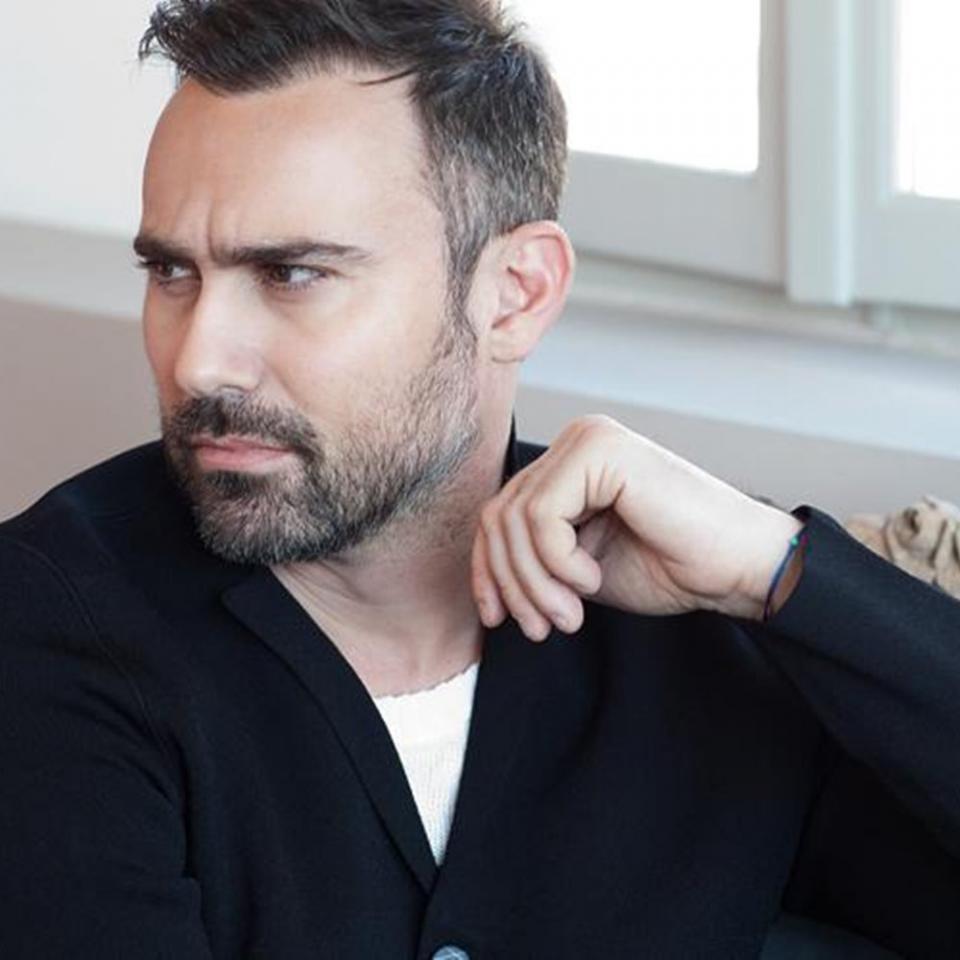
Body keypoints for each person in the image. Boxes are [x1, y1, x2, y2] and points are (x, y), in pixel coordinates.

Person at [0, 1, 958, 957]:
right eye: (172, 273)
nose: (200, 360)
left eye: (291, 274)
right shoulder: (52, 631)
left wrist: (779, 569)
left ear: (515, 295)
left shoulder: (695, 633)